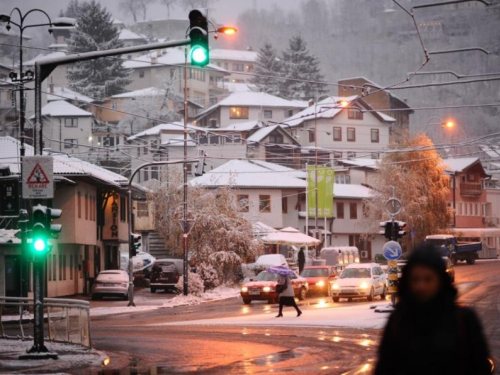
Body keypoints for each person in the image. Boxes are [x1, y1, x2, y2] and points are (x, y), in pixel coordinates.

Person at [375, 244, 491, 375]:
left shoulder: (464, 320)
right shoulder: (398, 321)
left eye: (428, 279)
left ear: (440, 281)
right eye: (415, 279)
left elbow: (480, 367)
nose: (421, 286)